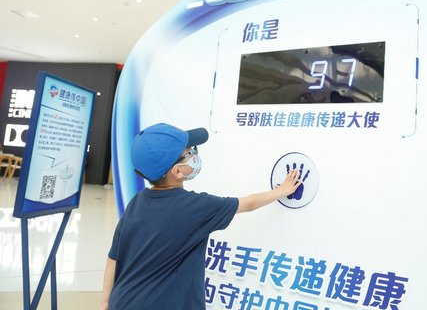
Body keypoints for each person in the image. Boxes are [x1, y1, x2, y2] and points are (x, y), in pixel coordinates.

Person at [101, 123, 300, 310]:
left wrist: (104, 302)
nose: (194, 155)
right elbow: (248, 203)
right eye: (190, 153)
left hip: (122, 301)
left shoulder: (136, 203)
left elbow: (113, 257)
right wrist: (282, 190)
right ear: (177, 171)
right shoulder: (196, 207)